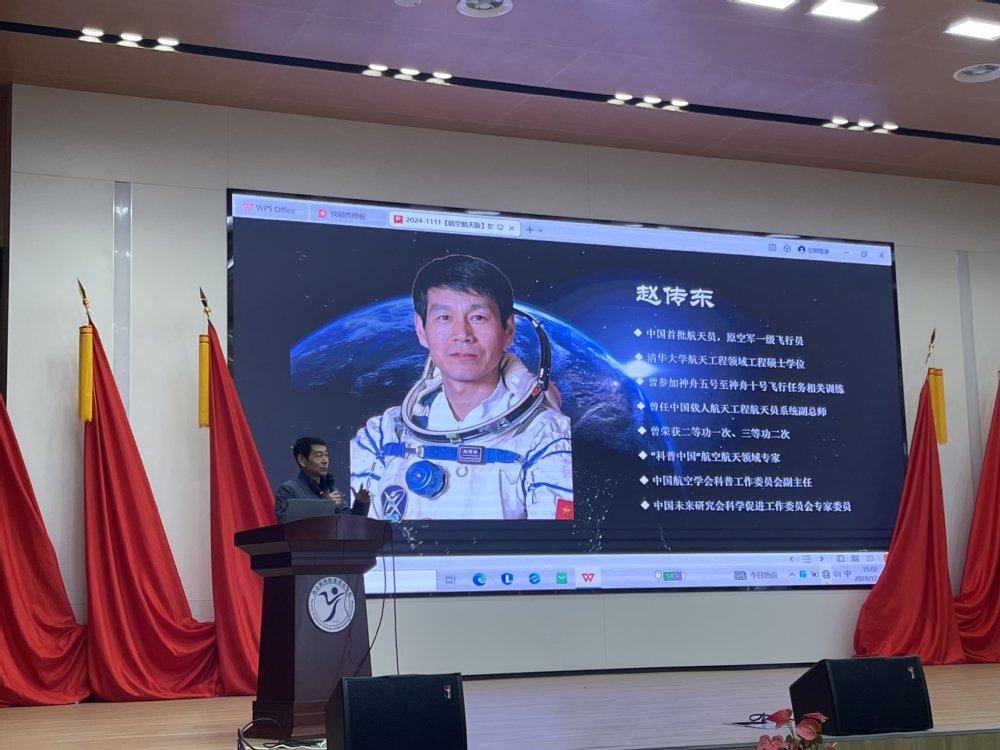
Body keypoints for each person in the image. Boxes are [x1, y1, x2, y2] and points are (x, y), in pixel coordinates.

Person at [351, 254, 573, 521]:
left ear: (508, 330)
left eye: (478, 317)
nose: (462, 334)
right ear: (421, 329)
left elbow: (554, 542)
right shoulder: (381, 436)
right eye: (444, 317)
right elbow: (354, 536)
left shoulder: (545, 436)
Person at [274, 436, 370, 522]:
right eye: (319, 456)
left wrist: (360, 503)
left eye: (326, 455)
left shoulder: (332, 491)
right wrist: (326, 506)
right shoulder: (288, 490)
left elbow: (351, 524)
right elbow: (286, 523)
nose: (325, 461)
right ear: (302, 460)